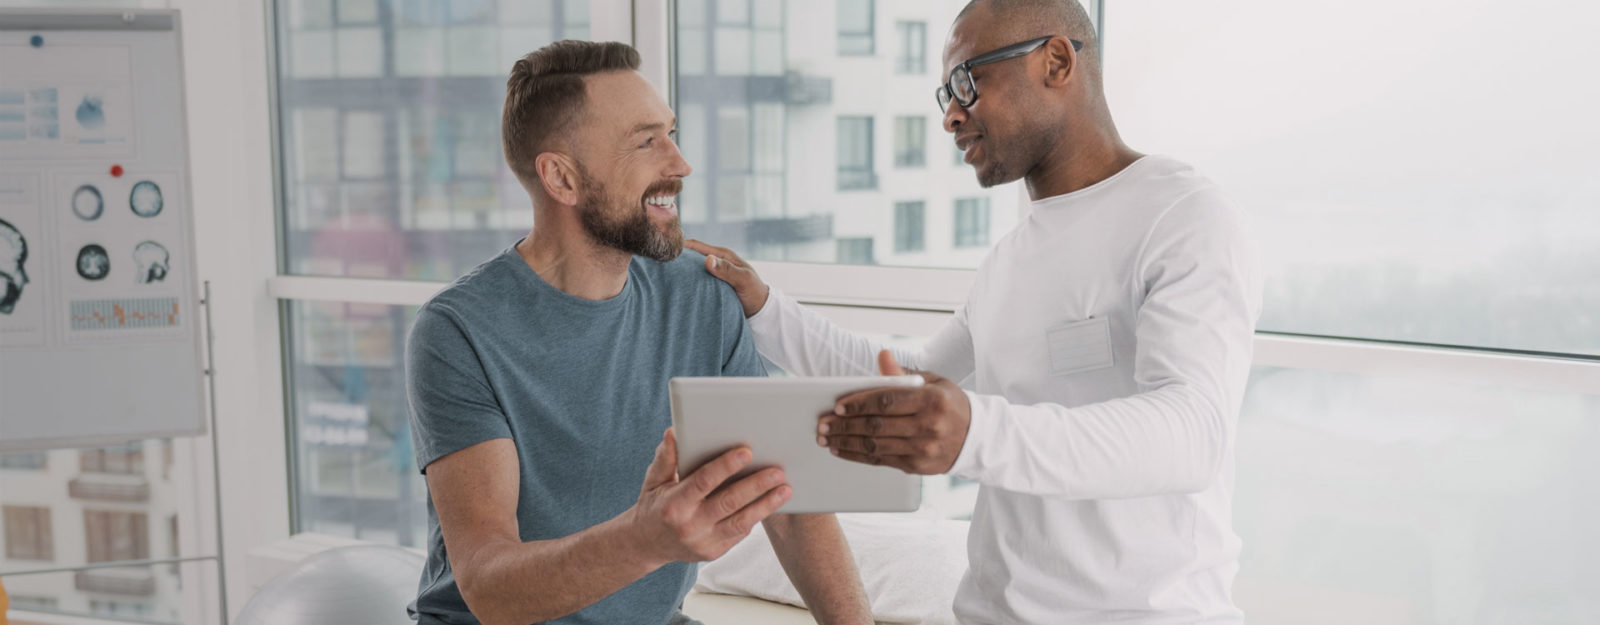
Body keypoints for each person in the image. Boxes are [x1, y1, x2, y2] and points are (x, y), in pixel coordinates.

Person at [686, 0, 1263, 623]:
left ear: (1057, 61)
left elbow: (1190, 433)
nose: (952, 115)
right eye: (944, 95)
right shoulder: (1010, 260)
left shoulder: (1182, 215)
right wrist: (763, 308)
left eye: (967, 81)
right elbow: (907, 376)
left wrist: (976, 433)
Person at [405, 41, 873, 625]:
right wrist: (646, 538)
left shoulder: (702, 297)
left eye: (671, 133)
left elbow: (786, 498)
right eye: (646, 141)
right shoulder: (458, 332)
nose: (679, 164)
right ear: (562, 177)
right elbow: (488, 586)